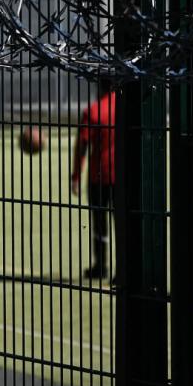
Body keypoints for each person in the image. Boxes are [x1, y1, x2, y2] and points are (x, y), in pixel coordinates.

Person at [70, 78, 116, 280]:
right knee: (123, 223)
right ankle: (124, 270)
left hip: (99, 175)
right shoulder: (124, 108)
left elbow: (81, 146)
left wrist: (76, 175)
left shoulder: (93, 111)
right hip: (122, 174)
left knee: (99, 221)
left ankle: (101, 266)